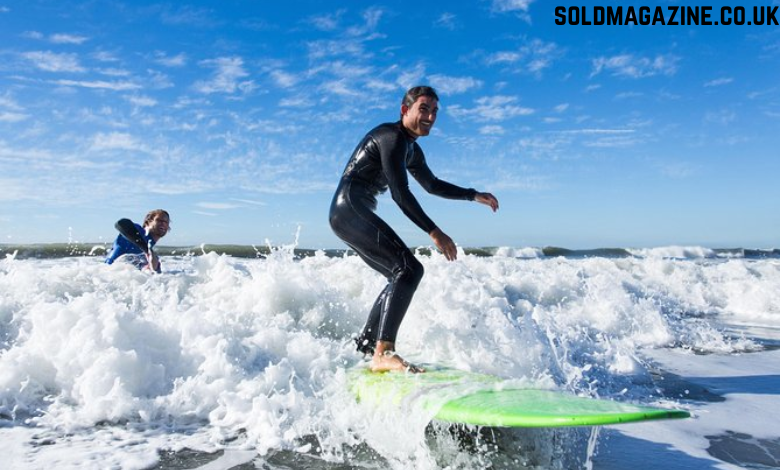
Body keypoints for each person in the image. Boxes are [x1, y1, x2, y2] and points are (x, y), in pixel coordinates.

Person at [329, 86, 499, 373]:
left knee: (398, 275)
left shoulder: (410, 149)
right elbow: (400, 192)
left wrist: (473, 194)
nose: (431, 116)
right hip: (349, 208)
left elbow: (432, 185)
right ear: (404, 110)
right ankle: (384, 352)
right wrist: (434, 231)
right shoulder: (391, 137)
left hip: (349, 212)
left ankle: (367, 348)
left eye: (434, 111)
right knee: (409, 270)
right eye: (424, 109)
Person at [105, 209, 170, 273]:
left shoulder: (150, 254)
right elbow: (121, 223)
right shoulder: (138, 231)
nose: (163, 223)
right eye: (159, 220)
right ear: (149, 221)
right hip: (108, 272)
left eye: (166, 222)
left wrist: (154, 268)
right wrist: (146, 249)